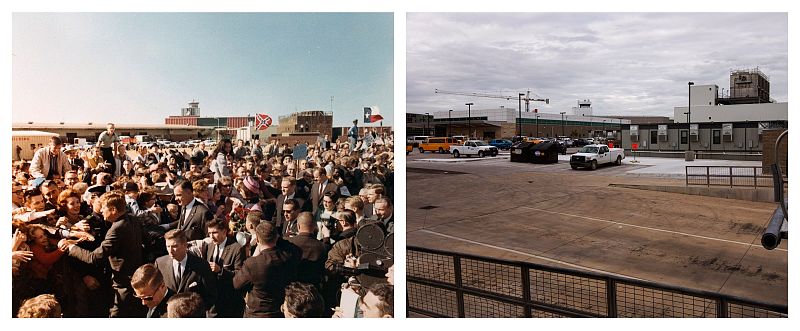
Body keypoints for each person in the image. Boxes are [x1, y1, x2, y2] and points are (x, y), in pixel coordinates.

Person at [58, 191, 146, 317]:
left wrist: (70, 247)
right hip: (119, 279)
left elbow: (95, 257)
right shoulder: (132, 219)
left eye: (104, 207)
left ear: (114, 210)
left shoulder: (117, 228)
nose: (101, 210)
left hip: (122, 283)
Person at [233, 222, 300, 318]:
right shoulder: (288, 257)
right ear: (276, 237)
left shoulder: (253, 263)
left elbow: (236, 284)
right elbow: (294, 248)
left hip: (257, 313)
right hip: (280, 312)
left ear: (257, 239)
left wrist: (254, 254)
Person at [154, 229, 217, 316]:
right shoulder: (160, 263)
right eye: (168, 246)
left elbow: (210, 296)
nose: (170, 250)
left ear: (185, 245)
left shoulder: (201, 265)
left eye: (174, 246)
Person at [197, 218, 246, 317]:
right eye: (209, 233)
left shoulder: (236, 249)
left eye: (214, 232)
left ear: (224, 232)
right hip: (212, 301)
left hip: (229, 301)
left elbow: (240, 275)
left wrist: (221, 271)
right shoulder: (209, 246)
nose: (211, 236)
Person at [287, 212, 326, 288]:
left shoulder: (287, 243)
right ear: (315, 227)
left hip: (291, 289)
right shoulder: (322, 247)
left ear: (298, 226)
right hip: (313, 290)